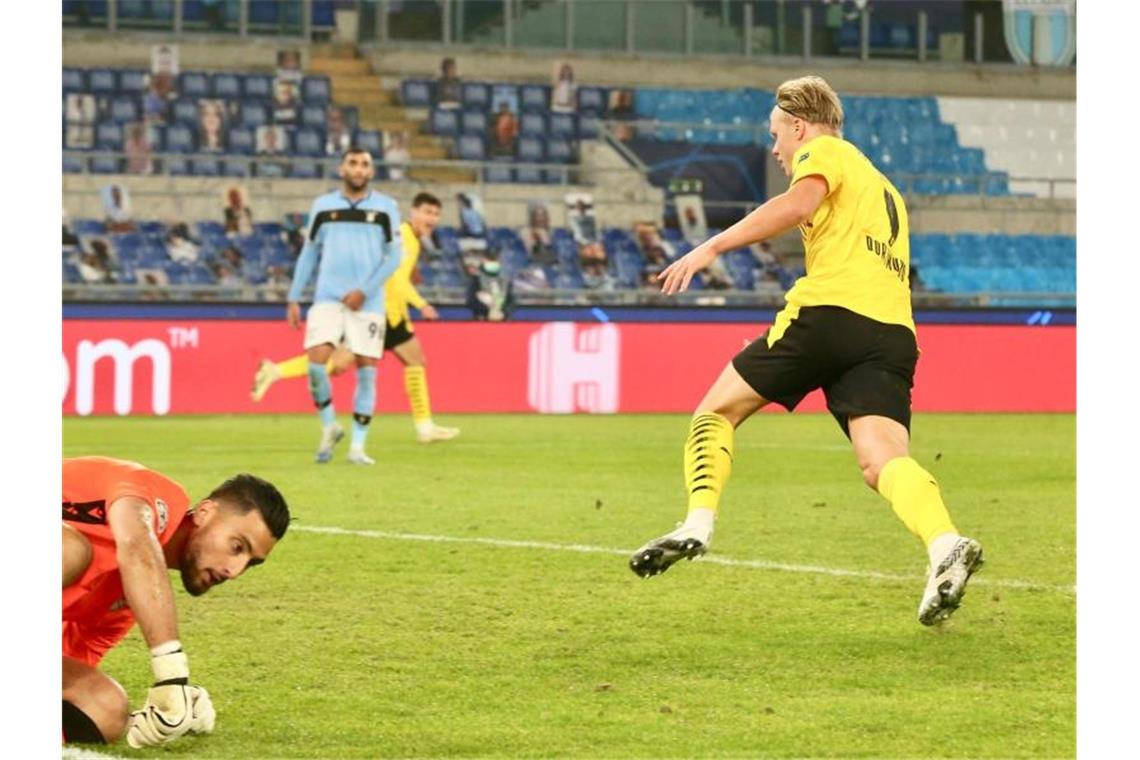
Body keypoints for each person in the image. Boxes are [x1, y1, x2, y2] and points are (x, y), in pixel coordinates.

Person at [628, 75, 984, 627]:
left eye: (776, 134)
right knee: (882, 461)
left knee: (715, 412)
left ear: (799, 125)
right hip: (891, 334)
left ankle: (696, 522)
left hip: (829, 315)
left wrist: (710, 246)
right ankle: (945, 544)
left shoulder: (825, 152)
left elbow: (799, 203)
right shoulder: (882, 186)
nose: (775, 148)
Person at [63, 456, 290, 747]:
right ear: (205, 512)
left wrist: (161, 717)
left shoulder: (130, 601)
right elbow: (136, 543)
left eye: (250, 563)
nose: (235, 571)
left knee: (105, 707)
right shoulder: (153, 494)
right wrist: (171, 674)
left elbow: (70, 663)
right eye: (237, 547)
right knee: (68, 551)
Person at [252, 193, 460, 444]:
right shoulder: (403, 236)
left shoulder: (412, 240)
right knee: (338, 364)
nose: (431, 218)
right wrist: (422, 304)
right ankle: (275, 371)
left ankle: (425, 426)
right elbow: (394, 279)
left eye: (436, 214)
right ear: (413, 212)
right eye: (427, 212)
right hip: (376, 315)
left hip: (392, 317)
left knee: (416, 360)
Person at [284, 147, 404, 464]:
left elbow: (394, 257)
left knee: (366, 373)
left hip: (368, 302)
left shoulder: (386, 208)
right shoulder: (323, 206)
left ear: (371, 171)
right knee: (315, 364)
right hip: (328, 297)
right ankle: (329, 426)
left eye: (365, 164)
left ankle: (358, 448)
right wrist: (294, 296)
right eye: (353, 163)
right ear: (342, 169)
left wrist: (364, 290)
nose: (359, 169)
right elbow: (309, 252)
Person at [466, 251, 513, 321]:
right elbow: (471, 300)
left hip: (502, 319)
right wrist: (488, 312)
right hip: (482, 320)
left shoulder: (505, 280)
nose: (492, 264)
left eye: (494, 261)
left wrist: (503, 312)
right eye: (489, 261)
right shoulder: (476, 279)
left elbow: (511, 300)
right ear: (483, 262)